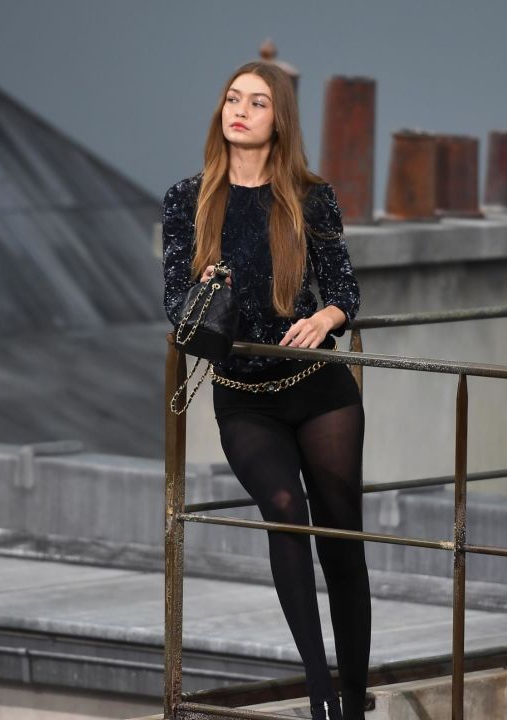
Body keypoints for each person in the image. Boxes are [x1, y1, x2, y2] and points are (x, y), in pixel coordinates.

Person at [161, 60, 371, 720]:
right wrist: (207, 289)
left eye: (256, 102)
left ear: (278, 120)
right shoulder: (186, 200)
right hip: (243, 394)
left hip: (319, 388)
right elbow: (174, 304)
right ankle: (319, 691)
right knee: (284, 506)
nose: (240, 110)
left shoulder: (311, 197)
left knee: (340, 537)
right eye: (231, 99)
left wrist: (329, 317)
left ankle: (353, 696)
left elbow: (344, 289)